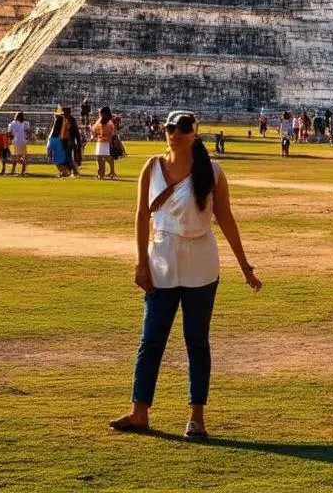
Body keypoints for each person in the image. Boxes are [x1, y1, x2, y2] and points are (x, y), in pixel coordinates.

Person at [109, 110, 262, 439]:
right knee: (151, 340)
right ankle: (140, 412)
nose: (173, 133)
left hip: (201, 263)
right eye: (169, 127)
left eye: (181, 128)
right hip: (161, 259)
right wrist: (140, 262)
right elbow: (140, 218)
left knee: (196, 342)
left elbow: (226, 220)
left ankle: (196, 417)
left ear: (195, 133)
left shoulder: (212, 171)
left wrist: (244, 265)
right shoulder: (151, 168)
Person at [93, 105, 116, 180]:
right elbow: (95, 129)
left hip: (106, 143)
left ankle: (111, 171)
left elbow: (110, 134)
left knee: (105, 157)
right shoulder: (100, 121)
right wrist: (95, 133)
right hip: (100, 142)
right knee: (99, 158)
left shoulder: (109, 123)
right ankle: (101, 173)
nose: (100, 115)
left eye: (101, 113)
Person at [47, 113, 70, 178]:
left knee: (58, 162)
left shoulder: (55, 131)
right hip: (60, 146)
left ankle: (64, 173)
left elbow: (50, 143)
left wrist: (49, 151)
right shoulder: (61, 128)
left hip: (56, 145)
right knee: (59, 162)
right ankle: (63, 173)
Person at [8, 111, 29, 176]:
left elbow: (9, 133)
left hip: (15, 141)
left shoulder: (12, 123)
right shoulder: (26, 123)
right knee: (22, 156)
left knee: (16, 157)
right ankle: (23, 170)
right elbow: (27, 132)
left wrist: (10, 140)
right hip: (22, 141)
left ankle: (13, 170)